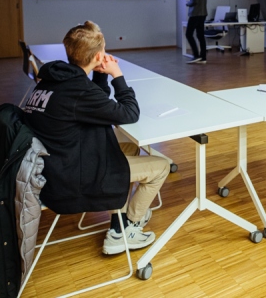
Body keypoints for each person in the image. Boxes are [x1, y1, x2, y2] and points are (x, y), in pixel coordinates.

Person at [23, 21, 170, 254]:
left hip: (53, 164)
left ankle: (117, 221)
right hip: (71, 178)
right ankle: (125, 230)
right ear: (99, 54)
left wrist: (101, 76)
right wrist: (117, 75)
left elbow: (94, 103)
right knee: (161, 166)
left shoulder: (55, 80)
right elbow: (129, 114)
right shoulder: (79, 91)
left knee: (129, 147)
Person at [185, 0, 208, 64]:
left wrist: (187, 3)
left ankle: (196, 55)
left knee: (188, 34)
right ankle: (203, 58)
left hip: (195, 14)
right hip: (203, 14)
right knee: (200, 35)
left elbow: (194, 1)